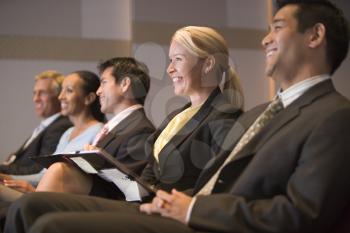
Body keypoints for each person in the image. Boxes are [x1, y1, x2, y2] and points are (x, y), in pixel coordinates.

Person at [4, 1, 350, 233]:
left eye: (276, 27)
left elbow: (303, 215)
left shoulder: (333, 116)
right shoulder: (260, 114)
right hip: (180, 207)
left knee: (50, 225)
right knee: (28, 209)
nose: (264, 39)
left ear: (315, 36)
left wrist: (192, 210)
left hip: (204, 221)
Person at [34, 26, 243, 200]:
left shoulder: (225, 116)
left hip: (164, 209)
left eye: (178, 59)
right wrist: (104, 164)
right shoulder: (175, 117)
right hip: (141, 200)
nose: (170, 69)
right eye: (170, 60)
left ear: (208, 64)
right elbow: (145, 181)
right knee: (55, 178)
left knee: (54, 188)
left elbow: (214, 186)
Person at [34, 57, 156, 198]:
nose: (98, 91)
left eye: (103, 82)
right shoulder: (117, 126)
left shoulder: (141, 130)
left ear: (124, 84)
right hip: (89, 197)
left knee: (59, 170)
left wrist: (103, 162)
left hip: (109, 207)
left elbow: (133, 189)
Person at [0, 71, 105, 201]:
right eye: (61, 90)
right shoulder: (68, 132)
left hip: (60, 204)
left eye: (69, 91)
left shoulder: (98, 132)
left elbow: (77, 184)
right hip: (41, 195)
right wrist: (9, 178)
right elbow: (44, 174)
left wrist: (32, 191)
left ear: (89, 98)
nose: (61, 97)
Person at [0, 70, 71, 177]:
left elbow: (40, 169)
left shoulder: (60, 126)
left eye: (42, 93)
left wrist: (3, 168)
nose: (35, 99)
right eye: (34, 93)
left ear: (59, 96)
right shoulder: (47, 126)